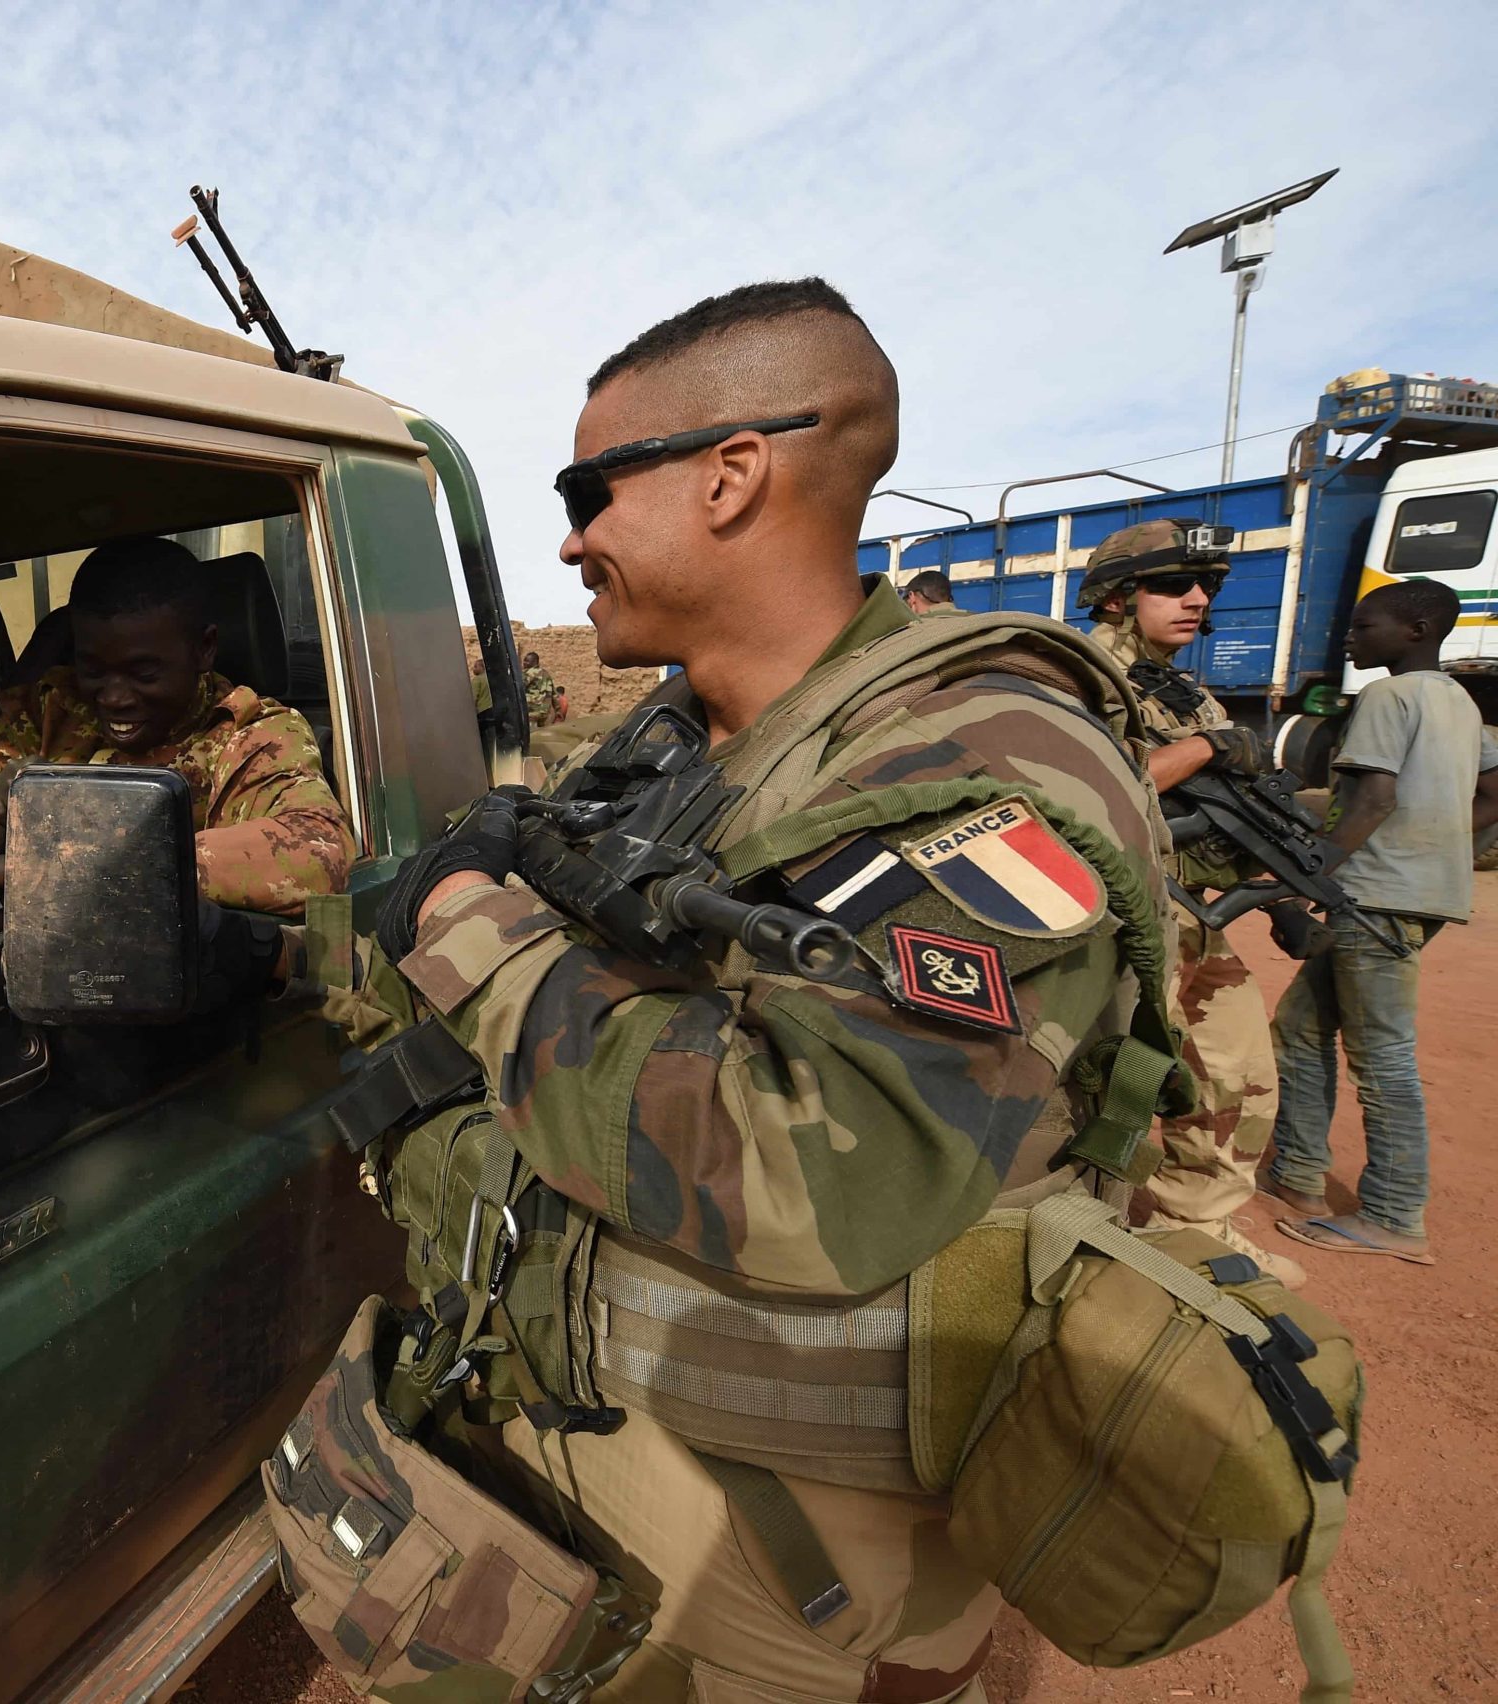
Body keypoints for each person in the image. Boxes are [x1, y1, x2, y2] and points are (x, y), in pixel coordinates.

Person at [350, 279, 1175, 1701]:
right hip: (590, 1442)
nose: (572, 537)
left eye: (591, 489)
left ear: (733, 474)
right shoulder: (691, 730)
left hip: (797, 1566)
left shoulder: (978, 766)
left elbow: (811, 1173)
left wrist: (466, 927)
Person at [1077, 518, 1304, 1286]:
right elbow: (1086, 781)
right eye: (1174, 584)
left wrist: (1281, 899)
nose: (1198, 598)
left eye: (1206, 585)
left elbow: (1228, 812)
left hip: (1185, 913)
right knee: (1103, 1078)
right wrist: (1207, 748)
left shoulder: (1181, 688)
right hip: (1113, 912)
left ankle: (1192, 1231)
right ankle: (1089, 1229)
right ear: (1114, 598)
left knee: (1235, 1073)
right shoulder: (1080, 674)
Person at [0, 535, 354, 917]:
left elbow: (318, 856)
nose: (114, 697)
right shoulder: (44, 712)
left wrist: (92, 868)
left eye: (144, 673)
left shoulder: (252, 733)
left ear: (204, 649)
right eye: (93, 669)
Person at [1265, 579, 1498, 1266]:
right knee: (1301, 1029)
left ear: (1417, 630)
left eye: (1365, 627)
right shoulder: (1458, 702)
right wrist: (1447, 844)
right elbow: (1494, 789)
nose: (1351, 635)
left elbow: (1373, 797)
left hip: (1373, 898)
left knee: (1383, 1057)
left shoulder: (1387, 696)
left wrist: (1313, 875)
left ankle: (1395, 1213)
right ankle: (1299, 1175)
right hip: (1412, 893)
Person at [520, 647, 562, 727]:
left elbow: (518, 687)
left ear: (535, 662)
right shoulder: (546, 674)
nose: (524, 663)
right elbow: (554, 695)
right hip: (544, 712)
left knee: (531, 736)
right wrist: (558, 710)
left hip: (532, 711)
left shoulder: (529, 673)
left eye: (527, 661)